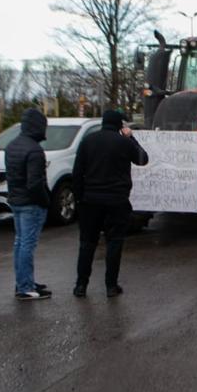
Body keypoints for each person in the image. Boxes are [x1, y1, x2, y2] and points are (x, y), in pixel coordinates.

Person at [73, 110, 149, 298]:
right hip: (117, 201)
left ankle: (81, 285)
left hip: (90, 201)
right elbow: (143, 159)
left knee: (87, 243)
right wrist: (131, 138)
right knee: (114, 242)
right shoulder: (123, 143)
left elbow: (77, 173)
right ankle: (111, 286)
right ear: (119, 125)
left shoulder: (88, 141)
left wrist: (79, 198)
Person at [5, 108, 52, 300]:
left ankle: (24, 282)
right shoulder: (34, 150)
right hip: (30, 204)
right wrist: (45, 201)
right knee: (27, 245)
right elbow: (35, 183)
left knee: (20, 243)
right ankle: (25, 287)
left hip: (16, 200)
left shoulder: (12, 145)